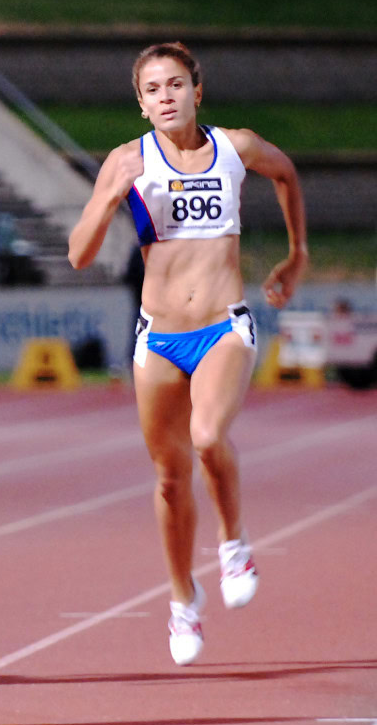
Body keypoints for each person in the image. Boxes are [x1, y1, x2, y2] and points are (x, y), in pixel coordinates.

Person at [67, 42, 307, 665]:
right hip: (158, 337)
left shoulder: (236, 148)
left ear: (198, 92)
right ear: (141, 104)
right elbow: (79, 254)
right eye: (153, 89)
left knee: (206, 436)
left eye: (177, 84)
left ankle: (234, 544)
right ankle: (182, 601)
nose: (166, 96)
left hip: (223, 325)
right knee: (171, 479)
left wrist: (297, 252)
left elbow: (286, 174)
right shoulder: (127, 161)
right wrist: (105, 197)